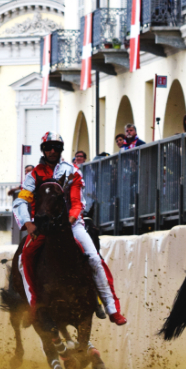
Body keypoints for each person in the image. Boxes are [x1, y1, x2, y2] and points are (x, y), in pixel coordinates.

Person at [13, 133, 127, 326]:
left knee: (94, 258)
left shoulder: (72, 170)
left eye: (56, 147)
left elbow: (77, 202)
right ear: (43, 150)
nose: (52, 151)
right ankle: (33, 307)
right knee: (24, 259)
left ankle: (111, 308)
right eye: (49, 147)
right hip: (42, 227)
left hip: (72, 225)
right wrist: (28, 223)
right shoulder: (33, 175)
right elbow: (22, 200)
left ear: (61, 150)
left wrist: (69, 221)